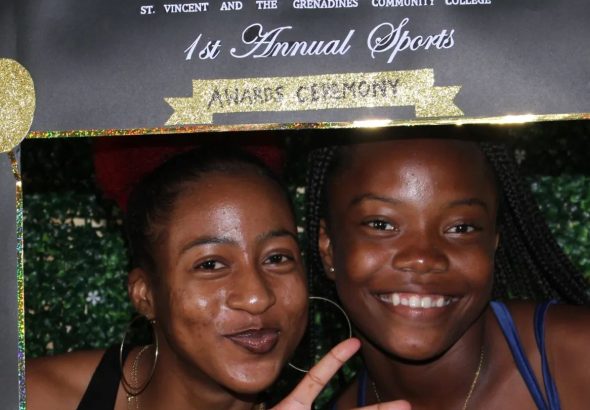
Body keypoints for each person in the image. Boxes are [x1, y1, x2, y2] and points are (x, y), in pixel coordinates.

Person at [26, 144, 410, 410]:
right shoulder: (32, 396)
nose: (257, 297)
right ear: (145, 295)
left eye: (277, 258)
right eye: (210, 265)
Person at [305, 135, 590, 409]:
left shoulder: (576, 355)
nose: (422, 259)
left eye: (461, 228)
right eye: (381, 225)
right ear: (328, 248)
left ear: (493, 243)